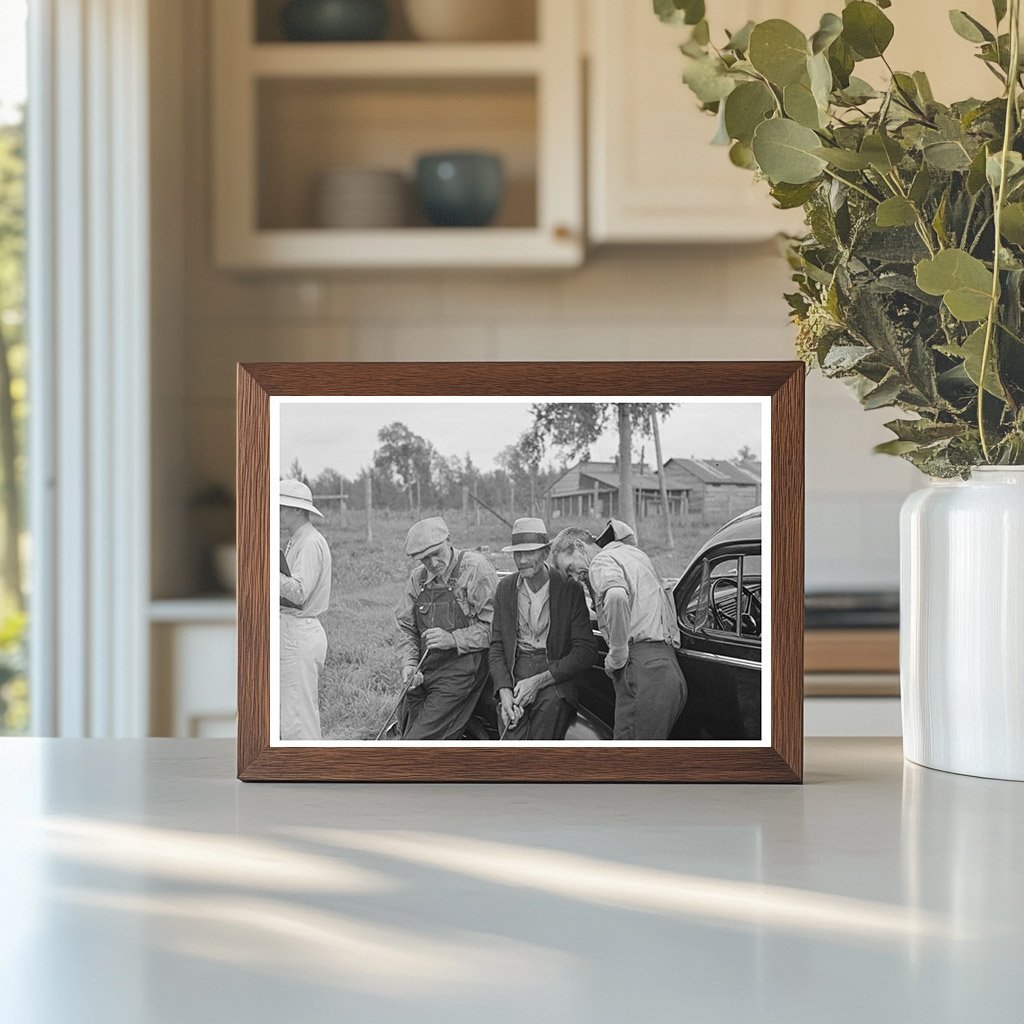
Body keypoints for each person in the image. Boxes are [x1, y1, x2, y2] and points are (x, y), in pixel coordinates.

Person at [550, 522, 686, 740]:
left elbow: (616, 596)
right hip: (667, 670)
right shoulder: (630, 554)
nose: (575, 578)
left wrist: (616, 655)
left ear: (579, 546)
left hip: (642, 673)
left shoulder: (599, 563)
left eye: (569, 568)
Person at [489, 518, 598, 740]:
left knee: (544, 730)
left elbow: (586, 650)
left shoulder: (569, 588)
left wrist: (538, 682)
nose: (522, 560)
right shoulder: (505, 589)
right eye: (517, 554)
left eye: (530, 552)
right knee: (510, 733)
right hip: (515, 672)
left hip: (554, 675)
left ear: (546, 552)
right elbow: (497, 646)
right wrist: (504, 691)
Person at [395, 516, 498, 740]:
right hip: (425, 670)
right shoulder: (417, 579)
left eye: (436, 553)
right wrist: (409, 665)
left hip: (462, 671)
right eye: (424, 558)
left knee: (418, 742)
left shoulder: (475, 569)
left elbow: (495, 629)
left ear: (449, 540)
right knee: (405, 730)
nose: (432, 563)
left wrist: (452, 639)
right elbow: (406, 628)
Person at [279, 479, 332, 740]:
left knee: (299, 715)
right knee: (291, 709)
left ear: (298, 510)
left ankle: (304, 769)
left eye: (283, 508)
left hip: (300, 629)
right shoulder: (296, 541)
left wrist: (268, 571)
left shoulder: (310, 542)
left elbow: (300, 592)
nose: (278, 514)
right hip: (292, 628)